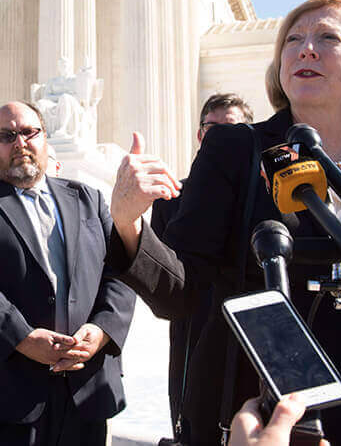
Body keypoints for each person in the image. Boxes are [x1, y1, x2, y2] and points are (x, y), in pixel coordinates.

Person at [109, 0, 341, 445]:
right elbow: (183, 292)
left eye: (327, 37)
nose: (305, 49)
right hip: (265, 413)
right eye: (292, 40)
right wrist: (128, 224)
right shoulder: (236, 151)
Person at [0, 101, 136, 446]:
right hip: (0, 394)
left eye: (29, 132)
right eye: (7, 135)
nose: (20, 142)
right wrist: (22, 338)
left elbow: (120, 270)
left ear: (45, 138)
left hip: (84, 389)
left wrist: (101, 331)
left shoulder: (88, 199)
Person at [151, 92, 253, 442]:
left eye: (233, 127)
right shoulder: (171, 198)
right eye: (213, 127)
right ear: (200, 134)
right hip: (193, 327)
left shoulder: (265, 198)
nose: (222, 135)